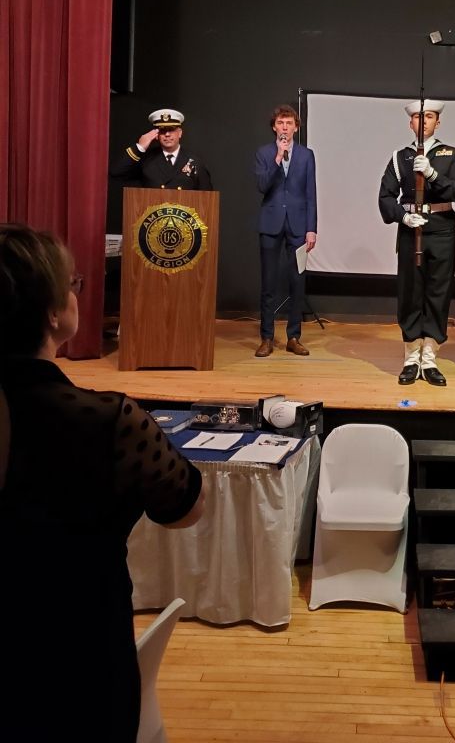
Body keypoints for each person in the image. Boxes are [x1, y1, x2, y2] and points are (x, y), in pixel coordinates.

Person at [0, 223, 205, 743]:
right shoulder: (109, 421)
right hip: (77, 659)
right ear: (53, 313)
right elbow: (187, 506)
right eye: (73, 284)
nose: (77, 293)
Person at [378, 99, 455, 386]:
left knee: (438, 292)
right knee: (410, 292)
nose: (423, 121)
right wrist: (403, 217)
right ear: (410, 123)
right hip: (410, 231)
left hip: (441, 231)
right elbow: (385, 197)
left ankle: (429, 357)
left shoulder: (451, 155)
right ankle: (410, 357)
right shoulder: (399, 157)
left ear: (437, 123)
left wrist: (432, 174)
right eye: (418, 117)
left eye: (428, 116)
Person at [254, 104, 317, 358]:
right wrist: (277, 158)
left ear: (296, 128)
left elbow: (311, 194)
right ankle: (267, 337)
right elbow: (262, 185)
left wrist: (311, 228)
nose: (285, 127)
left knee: (297, 282)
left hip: (298, 225)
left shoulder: (306, 155)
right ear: (274, 127)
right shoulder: (264, 153)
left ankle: (293, 337)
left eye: (289, 123)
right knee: (268, 283)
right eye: (280, 123)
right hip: (271, 223)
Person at [110, 108, 213, 190]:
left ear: (180, 133)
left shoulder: (194, 162)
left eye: (171, 130)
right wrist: (139, 147)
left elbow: (207, 199)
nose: (167, 134)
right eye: (162, 130)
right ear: (157, 134)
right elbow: (116, 173)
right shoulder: (146, 160)